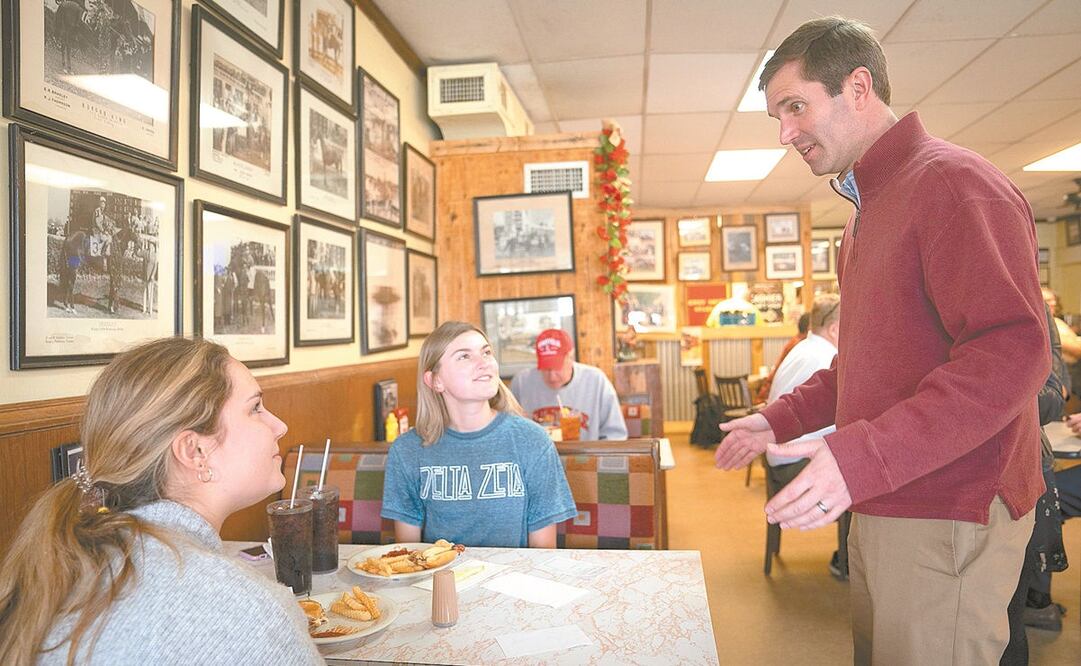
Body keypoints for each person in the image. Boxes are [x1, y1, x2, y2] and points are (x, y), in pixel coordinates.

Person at [714, 17, 1048, 664]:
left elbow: (1010, 352)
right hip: (883, 493)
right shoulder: (866, 212)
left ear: (857, 87)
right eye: (777, 116)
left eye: (794, 106)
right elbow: (860, 364)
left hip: (950, 506)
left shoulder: (950, 184)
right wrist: (773, 418)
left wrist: (859, 456)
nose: (785, 133)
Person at [0, 337, 321, 664]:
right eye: (255, 408)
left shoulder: (65, 570)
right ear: (194, 451)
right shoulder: (244, 612)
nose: (279, 426)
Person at [381, 321, 578, 548]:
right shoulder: (407, 450)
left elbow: (543, 554)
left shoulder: (533, 441)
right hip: (439, 581)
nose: (484, 363)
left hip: (511, 580)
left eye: (486, 352)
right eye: (464, 356)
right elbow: (409, 557)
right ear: (435, 380)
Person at [763, 296, 848, 580]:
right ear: (835, 329)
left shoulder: (802, 348)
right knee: (862, 473)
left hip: (779, 460)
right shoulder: (824, 357)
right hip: (792, 466)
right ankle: (848, 562)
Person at [510, 329, 628, 441]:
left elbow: (615, 435)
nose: (552, 376)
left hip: (586, 459)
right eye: (545, 368)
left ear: (571, 357)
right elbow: (509, 431)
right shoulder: (521, 382)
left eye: (557, 367)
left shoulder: (596, 381)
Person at [756, 312, 810, 403]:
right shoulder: (800, 346)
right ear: (810, 328)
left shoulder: (796, 342)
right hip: (770, 400)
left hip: (770, 396)